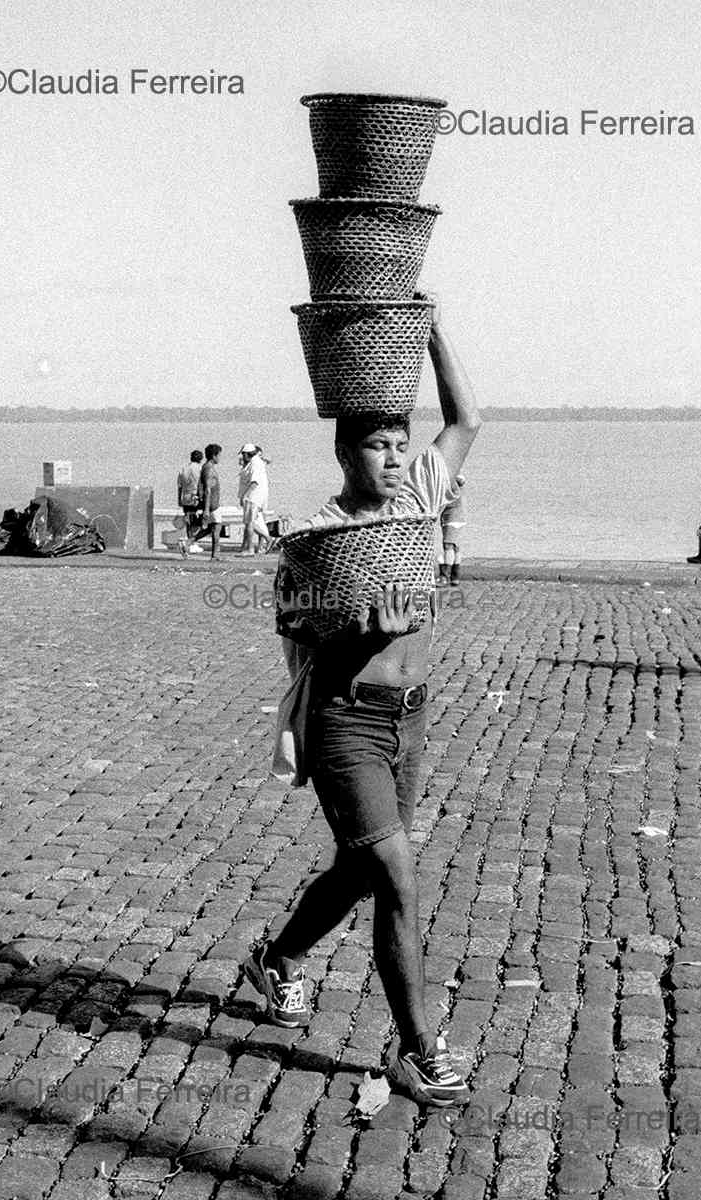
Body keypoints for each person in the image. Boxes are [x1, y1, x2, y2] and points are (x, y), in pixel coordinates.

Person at [242, 294, 481, 1107]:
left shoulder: (418, 497)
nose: (390, 456)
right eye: (375, 444)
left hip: (410, 717)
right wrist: (360, 628)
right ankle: (419, 1050)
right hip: (347, 717)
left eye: (397, 442)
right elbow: (297, 638)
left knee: (358, 868)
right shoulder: (319, 536)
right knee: (398, 877)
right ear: (344, 450)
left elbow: (468, 419)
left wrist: (432, 331)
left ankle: (276, 959)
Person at [238, 443, 272, 555]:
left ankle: (251, 549)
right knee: (249, 523)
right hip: (254, 497)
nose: (242, 457)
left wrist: (244, 496)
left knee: (250, 523)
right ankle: (250, 547)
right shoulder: (255, 462)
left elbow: (254, 482)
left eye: (243, 454)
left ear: (247, 454)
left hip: (253, 497)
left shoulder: (255, 463)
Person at [192, 443, 223, 559]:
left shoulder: (207, 467)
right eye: (219, 455)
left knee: (211, 528)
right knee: (217, 528)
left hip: (212, 503)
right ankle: (215, 555)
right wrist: (206, 509)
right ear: (214, 456)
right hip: (212, 504)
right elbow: (208, 490)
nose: (220, 458)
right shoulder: (209, 469)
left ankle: (188, 543)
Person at [438, 474, 466, 584]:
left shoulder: (450, 486)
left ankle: (445, 577)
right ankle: (455, 577)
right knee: (457, 547)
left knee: (448, 547)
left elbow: (442, 504)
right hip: (461, 518)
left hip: (451, 519)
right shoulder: (459, 486)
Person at [176, 450, 203, 539]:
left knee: (188, 519)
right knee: (196, 519)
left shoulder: (183, 469)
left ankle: (189, 538)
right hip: (196, 497)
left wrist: (179, 499)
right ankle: (193, 540)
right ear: (200, 459)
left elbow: (179, 486)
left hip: (185, 497)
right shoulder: (200, 469)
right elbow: (201, 484)